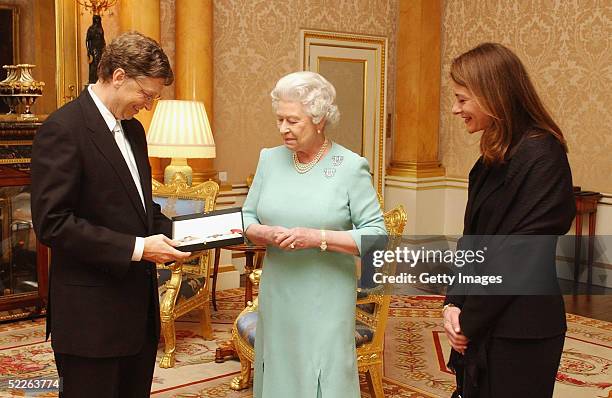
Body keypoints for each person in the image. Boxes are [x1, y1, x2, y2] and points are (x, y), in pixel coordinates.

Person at [31, 32, 190, 398]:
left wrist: (187, 233)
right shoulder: (63, 129)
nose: (148, 105)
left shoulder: (133, 130)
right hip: (91, 321)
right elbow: (53, 223)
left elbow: (136, 206)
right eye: (146, 95)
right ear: (118, 76)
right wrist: (138, 248)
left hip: (138, 315)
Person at [443, 43, 576, 398]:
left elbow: (520, 255)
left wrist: (468, 323)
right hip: (483, 317)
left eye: (461, 99)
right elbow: (471, 238)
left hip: (522, 330)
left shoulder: (542, 155)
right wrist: (454, 302)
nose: (455, 109)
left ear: (492, 95)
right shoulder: (493, 154)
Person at [242, 71, 387, 398]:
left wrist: (318, 238)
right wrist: (263, 233)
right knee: (279, 367)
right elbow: (247, 217)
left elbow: (376, 236)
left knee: (324, 373)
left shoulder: (350, 167)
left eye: (293, 121)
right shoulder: (269, 159)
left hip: (326, 295)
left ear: (319, 119)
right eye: (279, 119)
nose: (283, 128)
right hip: (279, 290)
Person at [86, 15, 105, 84]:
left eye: (98, 19)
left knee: (101, 64)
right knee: (94, 64)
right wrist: (88, 51)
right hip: (93, 49)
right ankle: (93, 80)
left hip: (100, 48)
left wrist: (104, 47)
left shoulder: (100, 28)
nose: (97, 21)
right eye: (96, 19)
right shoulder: (91, 29)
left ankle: (99, 78)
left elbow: (102, 39)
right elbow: (87, 40)